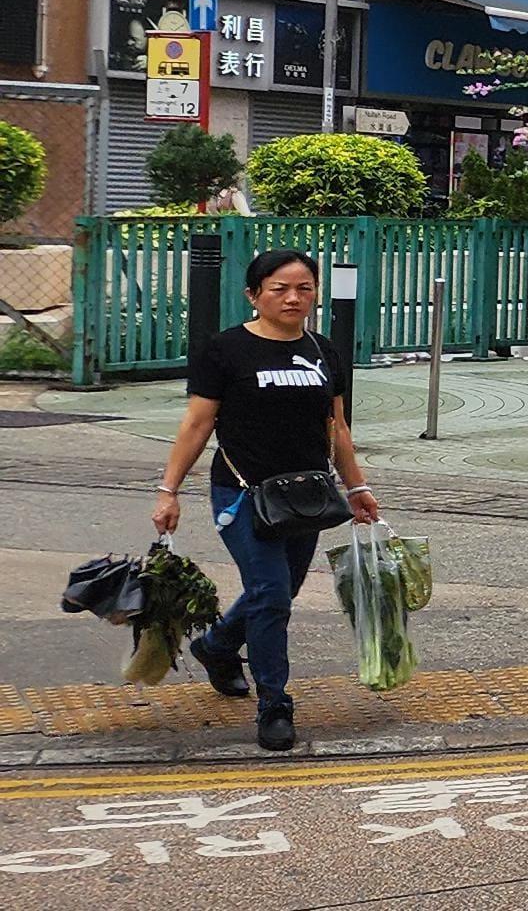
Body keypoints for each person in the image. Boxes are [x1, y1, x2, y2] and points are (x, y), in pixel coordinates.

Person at [151, 250, 379, 752]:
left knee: (277, 592)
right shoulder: (226, 350)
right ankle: (274, 705)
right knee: (272, 595)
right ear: (254, 295)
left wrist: (357, 487)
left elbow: (336, 426)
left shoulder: (324, 350)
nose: (294, 297)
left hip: (307, 497)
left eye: (304, 288)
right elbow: (197, 423)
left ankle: (216, 646)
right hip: (242, 493)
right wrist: (169, 491)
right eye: (279, 288)